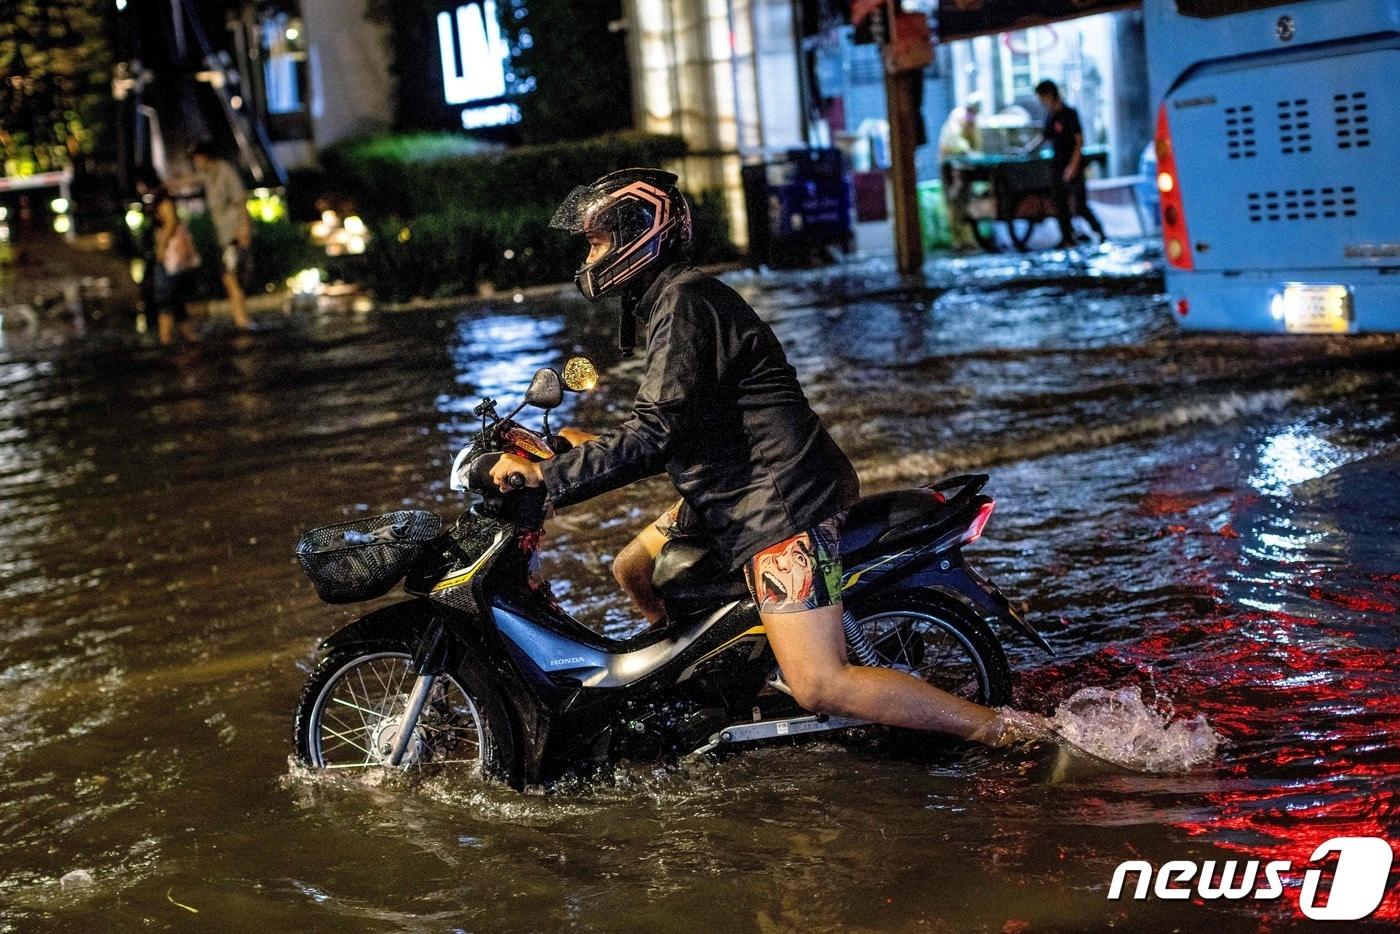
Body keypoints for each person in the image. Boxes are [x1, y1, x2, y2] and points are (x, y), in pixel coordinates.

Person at [488, 168, 1044, 748]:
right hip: (728, 488)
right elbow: (674, 422)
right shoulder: (666, 302)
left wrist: (547, 479)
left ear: (637, 234)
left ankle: (1010, 731)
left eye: (598, 240)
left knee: (820, 683)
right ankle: (717, 680)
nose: (591, 254)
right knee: (634, 568)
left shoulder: (683, 302)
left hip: (777, 502)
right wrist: (564, 449)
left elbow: (658, 432)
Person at [1032, 80, 1106, 249]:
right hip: (1058, 165)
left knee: (1080, 204)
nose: (1041, 101)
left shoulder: (1069, 113)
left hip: (1074, 165)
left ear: (1049, 95)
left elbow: (1079, 141)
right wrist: (1028, 149)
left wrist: (1072, 166)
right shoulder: (1051, 116)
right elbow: (1044, 137)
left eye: (1042, 97)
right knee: (1060, 204)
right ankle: (1067, 238)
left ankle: (1099, 231)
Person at [190, 142, 252, 330]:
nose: (195, 162)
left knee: (230, 277)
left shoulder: (225, 171)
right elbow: (191, 180)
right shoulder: (210, 174)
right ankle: (240, 319)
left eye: (197, 158)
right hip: (225, 235)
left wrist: (243, 230)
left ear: (204, 157)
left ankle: (242, 321)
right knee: (231, 278)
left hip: (233, 234)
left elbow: (241, 201)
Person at [135, 170, 201, 345]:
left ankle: (166, 338)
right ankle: (188, 335)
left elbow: (171, 223)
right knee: (174, 296)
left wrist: (161, 247)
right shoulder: (159, 198)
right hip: (169, 254)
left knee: (163, 294)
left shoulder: (162, 200)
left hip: (170, 255)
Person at [938, 93, 983, 251]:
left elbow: (976, 142)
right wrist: (968, 151)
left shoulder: (973, 120)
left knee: (965, 201)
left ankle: (967, 239)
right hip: (950, 166)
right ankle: (957, 240)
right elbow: (954, 141)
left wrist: (976, 157)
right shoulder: (957, 117)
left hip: (965, 167)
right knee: (954, 202)